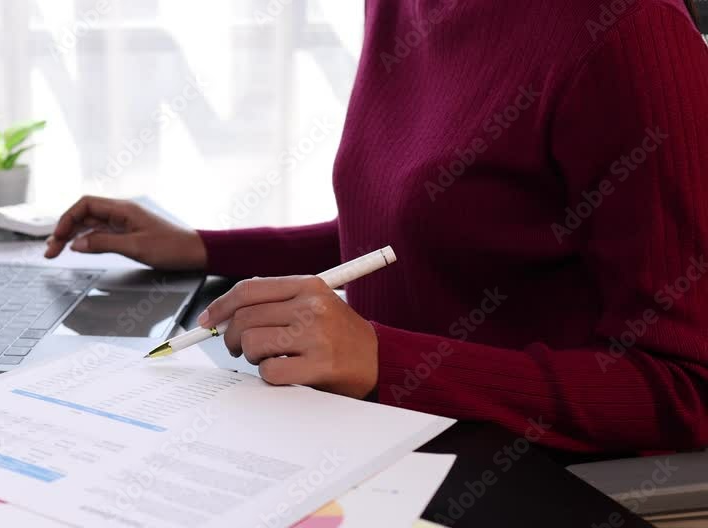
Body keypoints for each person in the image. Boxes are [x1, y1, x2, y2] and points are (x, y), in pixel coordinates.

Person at [45, 0, 708, 453]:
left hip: (508, 465)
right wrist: (204, 247)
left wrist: (387, 361)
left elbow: (689, 389)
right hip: (377, 436)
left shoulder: (627, 29)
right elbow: (427, 234)